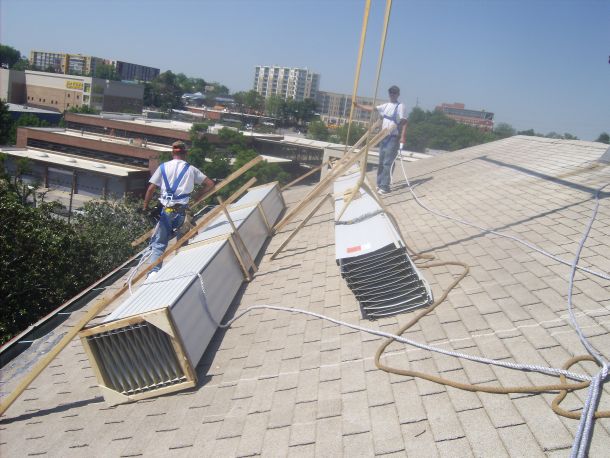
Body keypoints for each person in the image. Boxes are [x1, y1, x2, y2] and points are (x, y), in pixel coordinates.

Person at [142, 140, 215, 275]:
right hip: (182, 212)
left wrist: (145, 207)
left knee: (159, 244)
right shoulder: (191, 169)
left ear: (172, 153)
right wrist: (198, 196)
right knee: (182, 243)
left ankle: (153, 272)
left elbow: (151, 189)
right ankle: (179, 271)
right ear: (185, 153)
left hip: (165, 212)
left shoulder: (163, 167)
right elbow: (210, 184)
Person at [353, 85, 407, 194]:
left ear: (398, 94)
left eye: (394, 93)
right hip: (384, 136)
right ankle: (379, 184)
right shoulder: (386, 105)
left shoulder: (400, 106)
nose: (392, 95)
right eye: (391, 93)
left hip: (393, 137)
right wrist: (358, 106)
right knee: (381, 161)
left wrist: (401, 135)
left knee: (387, 162)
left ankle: (385, 186)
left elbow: (405, 121)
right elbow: (373, 109)